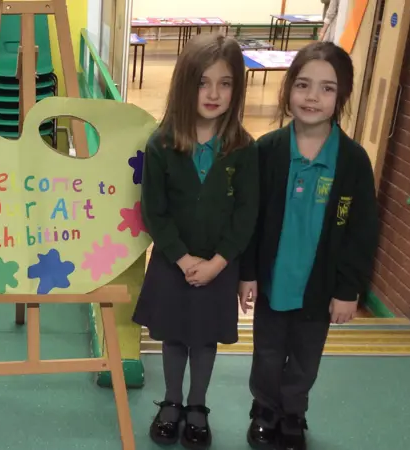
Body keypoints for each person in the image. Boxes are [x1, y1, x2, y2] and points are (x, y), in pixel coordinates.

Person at [240, 41, 379, 450]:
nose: (312, 97)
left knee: (305, 359)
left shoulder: (353, 161)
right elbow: (250, 221)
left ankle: (292, 413)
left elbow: (362, 232)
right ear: (287, 90)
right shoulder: (266, 151)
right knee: (266, 353)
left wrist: (347, 290)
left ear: (342, 97)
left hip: (319, 289)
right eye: (303, 85)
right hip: (272, 282)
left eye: (327, 88)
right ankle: (264, 410)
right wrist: (247, 274)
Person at [132, 34, 259, 449]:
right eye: (203, 82)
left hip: (221, 266)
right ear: (186, 85)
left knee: (205, 338)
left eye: (225, 84)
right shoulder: (163, 144)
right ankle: (170, 402)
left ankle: (197, 405)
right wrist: (183, 259)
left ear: (236, 89)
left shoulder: (243, 148)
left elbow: (246, 214)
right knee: (172, 335)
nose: (214, 93)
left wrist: (220, 262)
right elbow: (155, 210)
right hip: (173, 263)